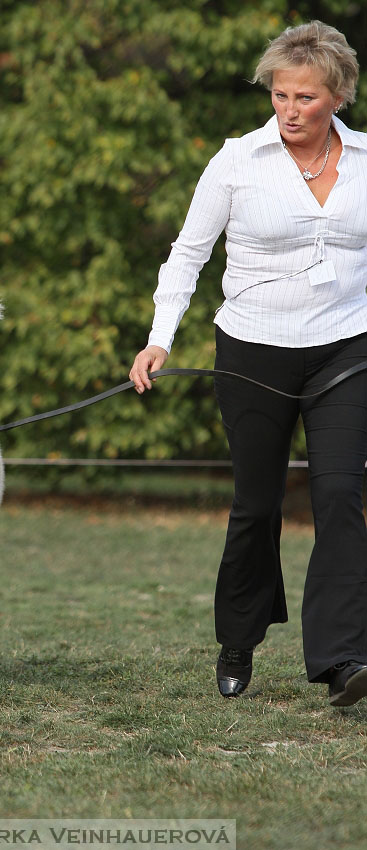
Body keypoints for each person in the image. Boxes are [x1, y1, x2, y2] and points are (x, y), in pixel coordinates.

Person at [129, 20, 367, 706]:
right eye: (279, 95)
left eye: (304, 99)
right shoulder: (236, 161)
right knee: (255, 505)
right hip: (252, 350)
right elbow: (187, 253)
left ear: (338, 97)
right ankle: (238, 639)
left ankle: (342, 660)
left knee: (338, 498)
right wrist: (158, 336)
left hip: (345, 348)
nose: (288, 110)